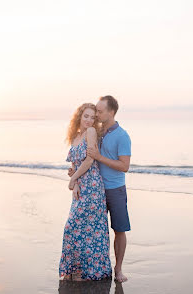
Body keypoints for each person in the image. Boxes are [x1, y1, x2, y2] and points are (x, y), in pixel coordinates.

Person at [59, 103, 112, 281]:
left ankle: (87, 271)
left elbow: (90, 160)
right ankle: (75, 270)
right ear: (79, 117)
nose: (89, 120)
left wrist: (74, 179)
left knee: (82, 228)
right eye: (86, 116)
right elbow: (75, 164)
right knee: (76, 228)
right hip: (81, 186)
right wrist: (74, 179)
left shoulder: (91, 133)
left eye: (92, 117)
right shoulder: (76, 136)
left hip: (93, 187)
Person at [87, 95, 132, 283]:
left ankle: (118, 269)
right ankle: (96, 266)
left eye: (100, 111)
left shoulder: (122, 135)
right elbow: (88, 157)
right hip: (95, 189)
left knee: (119, 230)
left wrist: (98, 156)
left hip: (115, 190)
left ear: (111, 112)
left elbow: (124, 166)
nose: (97, 114)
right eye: (96, 110)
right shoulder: (95, 132)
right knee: (94, 230)